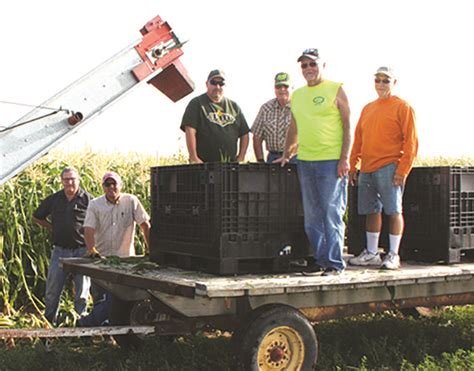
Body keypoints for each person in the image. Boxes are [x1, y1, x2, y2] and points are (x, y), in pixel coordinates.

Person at [277, 48, 352, 276]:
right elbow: (294, 127)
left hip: (331, 161)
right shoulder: (298, 95)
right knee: (311, 216)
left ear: (322, 66)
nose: (308, 69)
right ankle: (319, 260)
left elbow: (349, 126)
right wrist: (287, 153)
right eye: (304, 65)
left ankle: (335, 263)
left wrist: (344, 158)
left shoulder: (335, 89)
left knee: (331, 212)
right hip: (306, 161)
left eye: (312, 64)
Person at [348, 66, 418, 270]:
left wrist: (402, 170)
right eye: (377, 80)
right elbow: (358, 139)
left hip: (390, 166)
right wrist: (353, 165)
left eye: (385, 81)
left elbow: (411, 142)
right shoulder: (368, 108)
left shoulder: (403, 107)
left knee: (394, 210)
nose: (380, 84)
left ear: (394, 83)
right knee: (371, 211)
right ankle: (372, 253)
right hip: (368, 168)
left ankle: (393, 254)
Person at [77, 171, 150, 326]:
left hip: (124, 262)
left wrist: (150, 249)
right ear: (103, 187)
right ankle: (95, 329)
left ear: (120, 185)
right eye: (107, 184)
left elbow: (145, 225)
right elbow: (88, 229)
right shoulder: (95, 204)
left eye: (114, 184)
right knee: (100, 299)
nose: (111, 187)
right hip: (101, 260)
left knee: (117, 300)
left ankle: (89, 325)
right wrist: (92, 251)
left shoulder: (131, 201)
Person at [32, 167, 91, 325]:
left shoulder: (88, 200)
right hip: (60, 251)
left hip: (82, 252)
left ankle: (81, 326)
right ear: (61, 181)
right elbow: (37, 217)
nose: (69, 182)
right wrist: (53, 228)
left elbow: (97, 224)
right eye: (66, 179)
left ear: (78, 179)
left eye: (72, 179)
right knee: (53, 290)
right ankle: (50, 323)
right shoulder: (54, 199)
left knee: (82, 292)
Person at [180, 69, 250, 163]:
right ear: (206, 84)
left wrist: (241, 157)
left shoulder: (234, 107)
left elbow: (244, 133)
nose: (217, 87)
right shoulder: (197, 103)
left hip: (229, 166)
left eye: (221, 83)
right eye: (213, 82)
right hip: (203, 165)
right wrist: (194, 157)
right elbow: (190, 130)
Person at [251, 72, 296, 163]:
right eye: (278, 87)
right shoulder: (266, 108)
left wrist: (288, 155)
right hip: (273, 157)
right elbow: (257, 137)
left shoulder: (300, 107)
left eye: (285, 86)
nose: (282, 89)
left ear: (292, 88)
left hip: (296, 158)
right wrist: (260, 161)